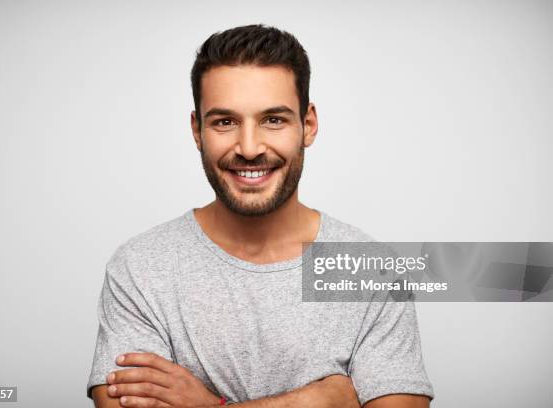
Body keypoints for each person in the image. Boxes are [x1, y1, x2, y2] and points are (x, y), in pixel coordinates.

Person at [86, 24, 434, 408]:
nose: (249, 148)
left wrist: (207, 406)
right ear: (197, 130)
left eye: (273, 120)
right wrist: (320, 401)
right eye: (225, 122)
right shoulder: (140, 269)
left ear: (308, 125)